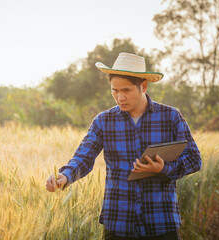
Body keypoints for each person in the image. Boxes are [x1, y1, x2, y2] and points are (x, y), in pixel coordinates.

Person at [45, 52, 202, 239]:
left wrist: (164, 168)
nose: (120, 97)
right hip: (119, 223)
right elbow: (83, 157)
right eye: (115, 91)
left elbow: (194, 159)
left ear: (143, 86)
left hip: (160, 222)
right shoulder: (103, 121)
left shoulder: (171, 117)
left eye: (126, 90)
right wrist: (65, 176)